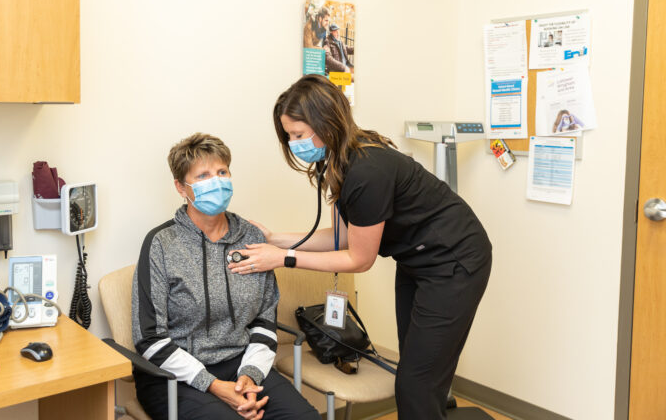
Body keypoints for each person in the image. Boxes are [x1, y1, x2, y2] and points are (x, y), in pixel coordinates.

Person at [229, 76, 492, 420]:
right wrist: (275, 238)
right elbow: (341, 237)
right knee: (419, 368)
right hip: (416, 261)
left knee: (414, 383)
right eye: (289, 136)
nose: (294, 144)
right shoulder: (339, 161)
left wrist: (284, 259)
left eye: (298, 134)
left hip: (454, 261)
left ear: (326, 122)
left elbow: (359, 258)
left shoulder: (367, 170)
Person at [132, 133, 319, 420]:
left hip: (241, 362)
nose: (216, 181)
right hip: (173, 375)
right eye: (204, 175)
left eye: (222, 172)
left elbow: (264, 319)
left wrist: (250, 376)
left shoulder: (251, 237)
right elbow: (149, 339)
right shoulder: (161, 243)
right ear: (181, 187)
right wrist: (215, 386)